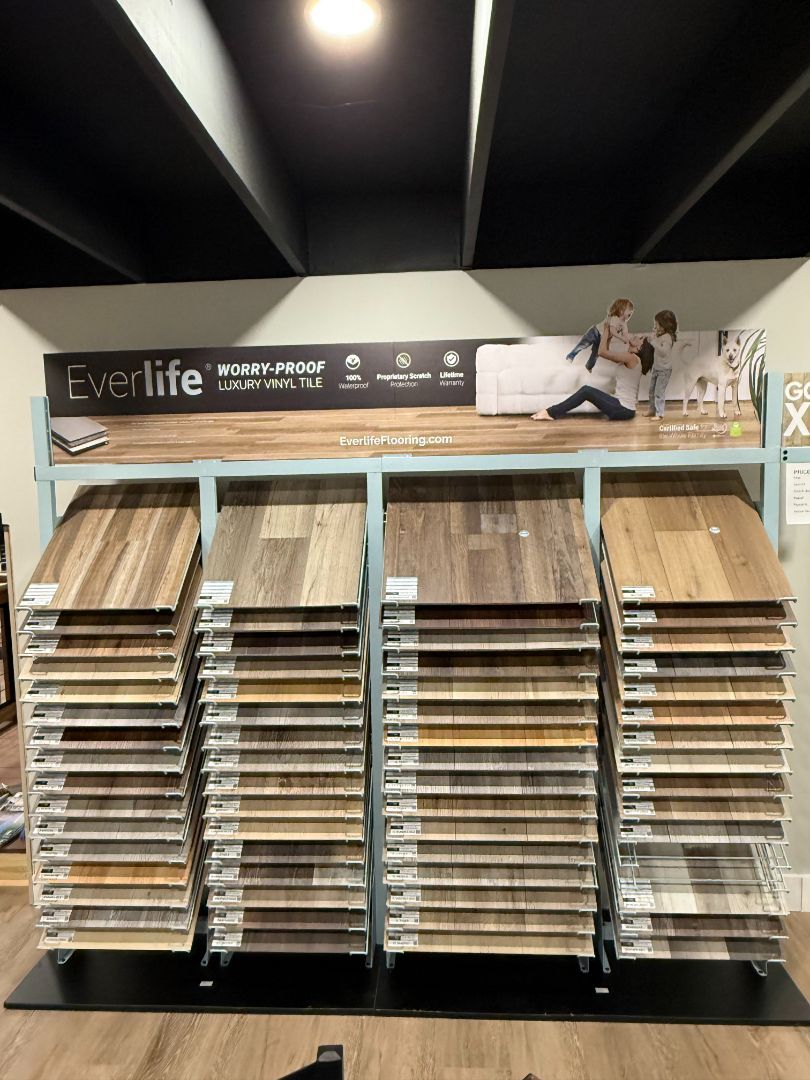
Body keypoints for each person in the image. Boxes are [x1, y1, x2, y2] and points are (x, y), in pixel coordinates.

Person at [531, 339, 642, 422]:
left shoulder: (631, 358)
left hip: (623, 409)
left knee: (586, 391)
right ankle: (549, 412)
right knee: (587, 390)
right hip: (623, 407)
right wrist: (608, 335)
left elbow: (602, 352)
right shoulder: (630, 358)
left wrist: (607, 328)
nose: (637, 336)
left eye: (641, 338)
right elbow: (606, 351)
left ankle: (550, 412)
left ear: (640, 347)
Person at [566, 298, 636, 372]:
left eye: (631, 312)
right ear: (621, 310)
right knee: (583, 345)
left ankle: (589, 366)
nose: (631, 313)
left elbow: (625, 333)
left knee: (596, 354)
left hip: (602, 339)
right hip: (595, 332)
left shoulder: (624, 324)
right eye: (629, 310)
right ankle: (570, 356)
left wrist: (628, 340)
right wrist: (622, 338)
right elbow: (612, 331)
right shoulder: (615, 318)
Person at [644, 310, 678, 419]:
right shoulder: (660, 335)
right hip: (657, 368)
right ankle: (652, 410)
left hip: (664, 370)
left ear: (664, 325)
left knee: (659, 392)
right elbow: (655, 342)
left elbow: (664, 352)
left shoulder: (667, 337)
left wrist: (653, 342)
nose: (655, 325)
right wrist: (653, 336)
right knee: (651, 391)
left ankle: (659, 414)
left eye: (656, 324)